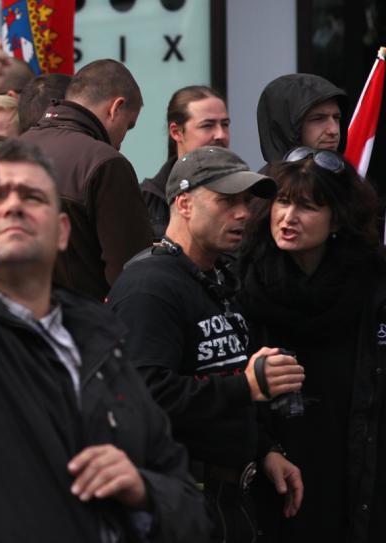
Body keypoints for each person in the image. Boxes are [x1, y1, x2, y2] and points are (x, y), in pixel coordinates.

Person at [0, 34, 211, 543]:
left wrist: (142, 489)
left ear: (61, 231)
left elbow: (191, 509)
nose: (12, 205)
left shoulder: (101, 340)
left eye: (32, 196)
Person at [107, 146, 306, 543]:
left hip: (231, 499)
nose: (243, 214)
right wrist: (246, 387)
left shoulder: (217, 277)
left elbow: (220, 373)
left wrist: (264, 449)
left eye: (246, 202)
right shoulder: (150, 286)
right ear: (183, 203)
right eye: (226, 201)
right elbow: (142, 398)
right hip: (178, 502)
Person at [239, 147, 386, 543]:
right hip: (273, 479)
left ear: (336, 218)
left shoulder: (372, 285)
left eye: (307, 207)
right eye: (282, 202)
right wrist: (263, 447)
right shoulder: (243, 280)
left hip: (357, 478)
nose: (288, 217)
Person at [20, 59, 152, 300]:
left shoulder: (4, 155)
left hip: (4, 326)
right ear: (116, 108)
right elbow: (133, 275)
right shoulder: (106, 163)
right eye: (128, 126)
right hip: (85, 327)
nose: (122, 140)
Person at [141, 85, 230, 239]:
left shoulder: (245, 193)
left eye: (225, 124)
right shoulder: (147, 200)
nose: (220, 134)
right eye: (207, 125)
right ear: (176, 132)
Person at [257, 73, 346, 169]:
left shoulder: (349, 181)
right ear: (285, 128)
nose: (334, 130)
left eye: (336, 117)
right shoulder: (267, 184)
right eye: (318, 119)